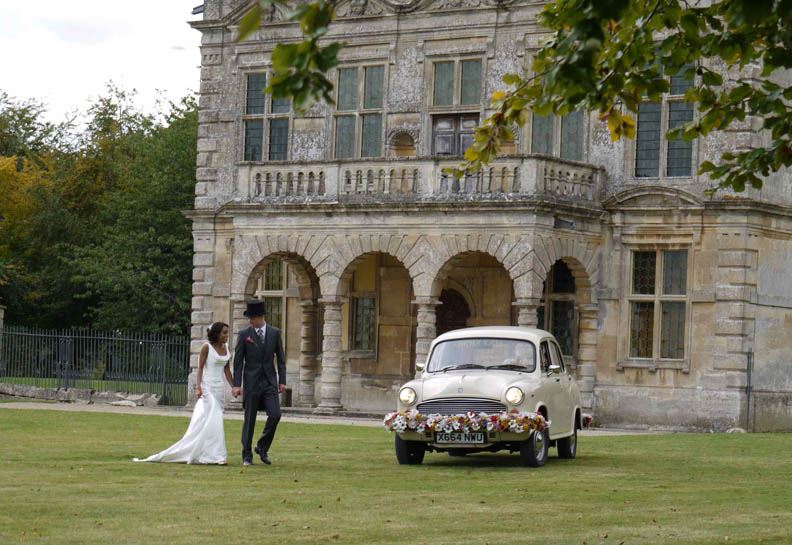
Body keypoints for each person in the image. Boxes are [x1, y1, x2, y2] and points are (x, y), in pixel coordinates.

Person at [133, 322, 233, 464]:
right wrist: (198, 387)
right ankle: (218, 456)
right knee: (215, 418)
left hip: (219, 389)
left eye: (227, 332)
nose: (226, 336)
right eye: (224, 333)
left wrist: (234, 386)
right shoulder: (207, 347)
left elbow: (226, 369)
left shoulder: (227, 349)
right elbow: (200, 368)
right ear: (217, 334)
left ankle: (205, 452)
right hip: (208, 388)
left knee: (209, 422)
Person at [232, 299, 286, 466]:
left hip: (270, 382)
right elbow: (238, 362)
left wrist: (282, 381)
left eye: (252, 318)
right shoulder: (244, 335)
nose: (250, 321)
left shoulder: (275, 333)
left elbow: (281, 359)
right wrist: (236, 384)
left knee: (275, 414)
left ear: (260, 317)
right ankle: (246, 455)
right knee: (250, 420)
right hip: (251, 383)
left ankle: (262, 447)